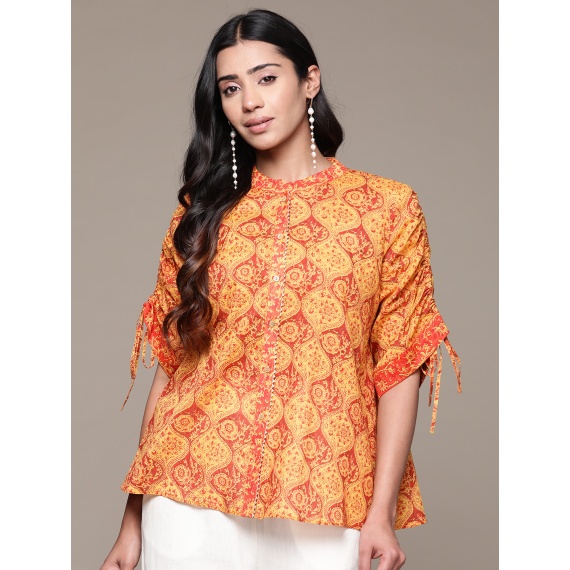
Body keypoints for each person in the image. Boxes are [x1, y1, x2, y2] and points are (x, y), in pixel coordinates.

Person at [100, 8, 461, 570]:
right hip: (189, 489)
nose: (250, 101)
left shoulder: (387, 208)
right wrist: (132, 524)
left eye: (266, 78)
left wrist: (381, 514)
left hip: (328, 488)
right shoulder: (200, 214)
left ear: (309, 80)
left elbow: (398, 367)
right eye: (231, 88)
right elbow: (172, 367)